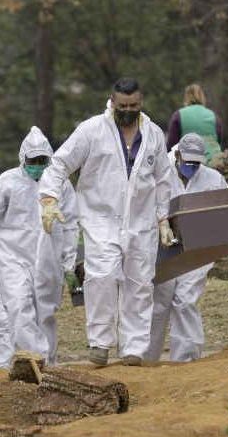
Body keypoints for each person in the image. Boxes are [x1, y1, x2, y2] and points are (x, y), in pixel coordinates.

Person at [39, 77, 173, 367]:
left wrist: (164, 218)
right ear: (112, 101)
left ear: (141, 103)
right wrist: (49, 198)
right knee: (102, 278)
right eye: (122, 105)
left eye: (133, 105)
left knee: (140, 283)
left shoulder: (154, 135)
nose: (127, 110)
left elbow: (163, 179)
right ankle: (100, 342)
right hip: (100, 218)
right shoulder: (91, 131)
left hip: (141, 221)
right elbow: (60, 163)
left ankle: (133, 348)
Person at [146, 133, 228, 362]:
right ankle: (145, 358)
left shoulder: (213, 179)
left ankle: (186, 359)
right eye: (187, 161)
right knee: (159, 303)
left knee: (185, 300)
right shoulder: (161, 175)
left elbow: (227, 211)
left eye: (196, 163)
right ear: (178, 155)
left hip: (197, 249)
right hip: (163, 247)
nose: (190, 166)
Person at [0, 126, 78, 366]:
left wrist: (69, 264)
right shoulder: (7, 182)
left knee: (45, 314)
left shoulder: (60, 185)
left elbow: (71, 224)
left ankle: (47, 361)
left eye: (42, 160)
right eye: (32, 160)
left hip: (48, 259)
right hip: (12, 256)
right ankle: (36, 362)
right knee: (19, 306)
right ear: (23, 158)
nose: (37, 165)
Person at [166, 84, 223, 164]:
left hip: (189, 165)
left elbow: (171, 145)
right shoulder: (214, 116)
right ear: (203, 97)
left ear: (186, 98)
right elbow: (219, 142)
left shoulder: (179, 115)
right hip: (213, 163)